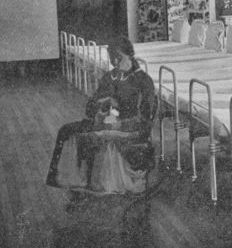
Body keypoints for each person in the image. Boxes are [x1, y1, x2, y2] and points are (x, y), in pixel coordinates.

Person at [46, 36, 157, 195]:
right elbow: (91, 106)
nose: (115, 63)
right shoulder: (109, 77)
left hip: (129, 128)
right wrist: (99, 105)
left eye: (119, 58)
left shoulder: (143, 81)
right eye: (112, 58)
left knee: (94, 137)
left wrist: (120, 123)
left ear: (130, 55)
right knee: (65, 130)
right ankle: (61, 178)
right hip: (105, 121)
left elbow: (145, 119)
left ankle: (88, 183)